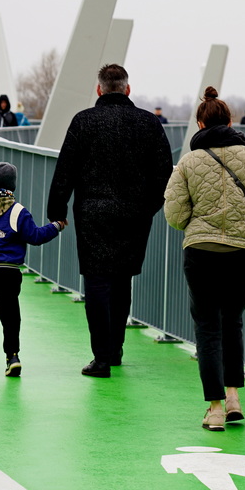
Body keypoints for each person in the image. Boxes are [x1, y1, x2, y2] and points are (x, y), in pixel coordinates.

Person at [164, 87, 245, 431]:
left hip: (201, 250)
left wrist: (200, 221)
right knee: (232, 321)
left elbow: (174, 215)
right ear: (230, 122)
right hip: (244, 252)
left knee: (207, 326)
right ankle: (233, 398)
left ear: (200, 123)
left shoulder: (188, 163)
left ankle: (214, 409)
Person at [47, 64, 174, 378]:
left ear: (99, 89)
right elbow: (164, 174)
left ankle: (101, 358)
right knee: (122, 281)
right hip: (134, 215)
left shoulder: (83, 121)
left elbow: (65, 170)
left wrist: (57, 211)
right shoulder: (149, 123)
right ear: (127, 89)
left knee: (97, 282)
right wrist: (148, 208)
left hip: (92, 214)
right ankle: (115, 349)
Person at [0, 162, 66, 376]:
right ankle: (12, 357)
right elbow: (35, 237)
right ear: (12, 185)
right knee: (9, 315)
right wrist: (56, 226)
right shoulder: (17, 211)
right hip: (6, 271)